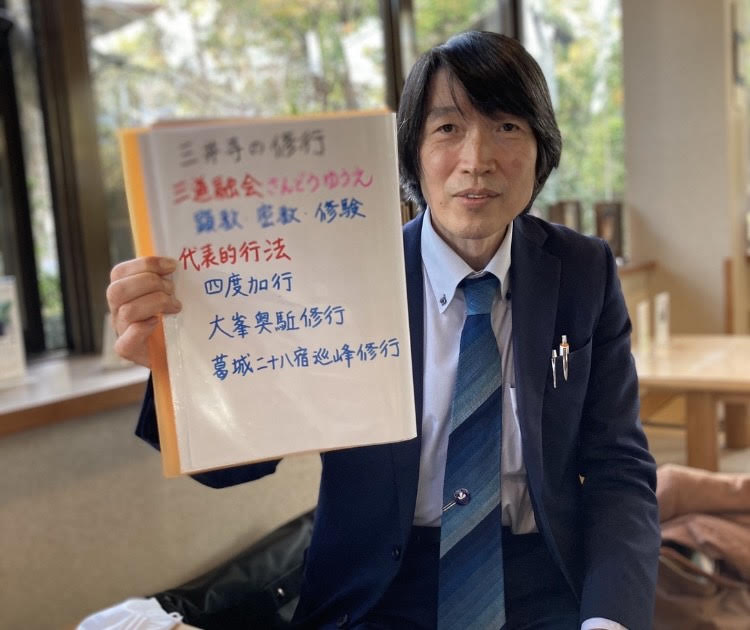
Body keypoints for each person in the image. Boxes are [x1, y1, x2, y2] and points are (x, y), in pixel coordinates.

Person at [107, 31, 660, 630]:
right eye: (447, 128)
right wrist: (178, 364)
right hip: (379, 589)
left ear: (541, 149)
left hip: (538, 577)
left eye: (507, 126)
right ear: (412, 154)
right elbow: (231, 467)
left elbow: (618, 467)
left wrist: (609, 621)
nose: (477, 159)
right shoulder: (342, 275)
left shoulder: (582, 270)